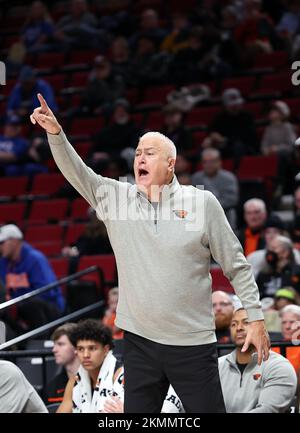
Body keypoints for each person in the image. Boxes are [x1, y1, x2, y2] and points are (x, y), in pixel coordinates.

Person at [30, 93, 270, 414]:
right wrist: (56, 136)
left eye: (150, 152)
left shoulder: (201, 203)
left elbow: (237, 266)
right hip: (139, 342)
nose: (140, 158)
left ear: (170, 164)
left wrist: (255, 317)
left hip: (192, 344)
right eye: (138, 152)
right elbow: (79, 174)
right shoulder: (117, 199)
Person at [218, 308, 297, 413]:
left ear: (261, 328)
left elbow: (267, 410)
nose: (239, 328)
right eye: (234, 324)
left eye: (246, 323)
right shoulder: (218, 366)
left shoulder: (279, 366)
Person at [0, 224, 65, 331]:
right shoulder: (3, 262)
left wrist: (17, 300)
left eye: (2, 243)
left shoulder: (35, 259)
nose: (0, 247)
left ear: (15, 241)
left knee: (32, 304)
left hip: (49, 308)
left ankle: (39, 341)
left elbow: (47, 292)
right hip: (18, 307)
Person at [57, 319, 124, 413]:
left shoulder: (120, 376)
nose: (85, 355)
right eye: (81, 349)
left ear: (106, 349)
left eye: (92, 348)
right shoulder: (74, 381)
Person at [192, 148, 239, 228]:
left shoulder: (228, 178)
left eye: (212, 161)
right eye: (205, 162)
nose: (208, 165)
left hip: (224, 215)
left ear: (219, 162)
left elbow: (231, 200)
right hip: (203, 216)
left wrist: (210, 206)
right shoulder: (197, 178)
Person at [45, 323, 80, 405]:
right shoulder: (51, 387)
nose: (54, 349)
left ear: (76, 347)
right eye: (54, 345)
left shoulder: (96, 380)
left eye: (60, 344)